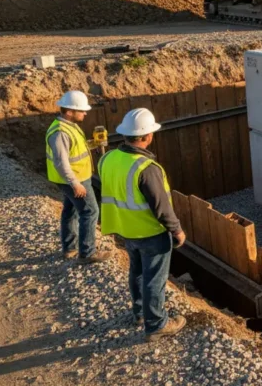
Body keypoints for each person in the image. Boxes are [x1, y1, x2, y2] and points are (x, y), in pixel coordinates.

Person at [99, 108, 186, 340]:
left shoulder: (107, 158)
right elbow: (161, 207)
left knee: (136, 273)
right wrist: (177, 230)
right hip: (150, 233)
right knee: (154, 279)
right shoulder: (146, 168)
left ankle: (140, 312)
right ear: (148, 136)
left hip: (124, 229)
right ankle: (156, 324)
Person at [47, 91, 109, 263]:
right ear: (69, 112)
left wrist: (93, 144)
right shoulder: (60, 132)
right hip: (74, 180)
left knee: (70, 211)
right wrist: (75, 184)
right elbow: (61, 162)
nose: (85, 113)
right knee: (90, 211)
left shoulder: (69, 126)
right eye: (81, 110)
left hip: (73, 178)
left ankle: (70, 248)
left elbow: (74, 149)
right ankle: (87, 253)